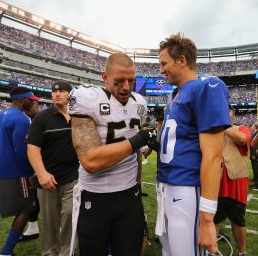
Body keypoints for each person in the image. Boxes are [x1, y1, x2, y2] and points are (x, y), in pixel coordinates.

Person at [68, 52, 157, 256]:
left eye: (131, 81)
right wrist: (138, 139)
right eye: (119, 81)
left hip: (129, 196)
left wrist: (138, 185)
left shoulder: (139, 103)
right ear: (105, 77)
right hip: (95, 197)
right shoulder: (87, 99)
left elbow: (136, 155)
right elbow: (90, 160)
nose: (126, 87)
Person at [155, 33, 231, 256]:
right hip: (166, 188)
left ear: (182, 60)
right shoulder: (175, 95)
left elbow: (213, 157)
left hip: (186, 190)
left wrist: (207, 218)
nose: (161, 70)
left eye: (164, 64)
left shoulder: (206, 87)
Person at [26, 80, 79, 256]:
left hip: (73, 176)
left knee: (71, 216)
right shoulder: (42, 117)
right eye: (54, 92)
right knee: (50, 222)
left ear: (70, 95)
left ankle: (66, 252)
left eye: (62, 91)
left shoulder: (79, 116)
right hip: (48, 179)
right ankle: (50, 253)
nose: (57, 94)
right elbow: (32, 148)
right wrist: (41, 174)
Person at [0, 87, 40, 256]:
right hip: (12, 172)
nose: (33, 102)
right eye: (30, 99)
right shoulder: (22, 119)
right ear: (20, 100)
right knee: (27, 208)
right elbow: (21, 150)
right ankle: (6, 252)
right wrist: (30, 173)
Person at [214, 105, 250, 256]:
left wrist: (221, 125)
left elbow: (242, 140)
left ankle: (242, 252)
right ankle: (212, 251)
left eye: (227, 110)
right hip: (216, 182)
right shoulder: (211, 132)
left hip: (236, 182)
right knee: (214, 219)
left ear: (233, 114)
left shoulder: (242, 129)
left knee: (238, 220)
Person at [19, 102, 41, 242]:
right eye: (33, 106)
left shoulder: (42, 119)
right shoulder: (28, 121)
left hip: (48, 165)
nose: (37, 107)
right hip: (36, 165)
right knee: (33, 198)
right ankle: (33, 228)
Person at [250, 122, 258, 189]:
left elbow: (255, 146)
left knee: (256, 169)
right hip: (253, 154)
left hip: (255, 155)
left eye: (252, 126)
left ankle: (257, 184)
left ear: (255, 127)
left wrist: (254, 154)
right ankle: (255, 179)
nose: (251, 127)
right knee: (254, 168)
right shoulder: (255, 133)